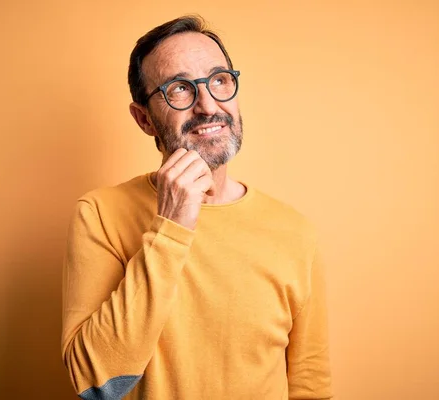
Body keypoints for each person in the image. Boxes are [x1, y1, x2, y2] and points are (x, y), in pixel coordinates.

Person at [61, 15, 333, 400]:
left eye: (219, 80)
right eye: (180, 88)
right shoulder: (100, 214)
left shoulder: (295, 231)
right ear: (144, 119)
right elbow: (96, 384)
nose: (208, 106)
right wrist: (169, 229)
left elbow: (310, 384)